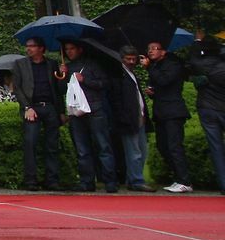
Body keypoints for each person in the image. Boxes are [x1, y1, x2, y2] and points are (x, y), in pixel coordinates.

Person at [58, 39, 118, 193]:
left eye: (72, 48)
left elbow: (104, 84)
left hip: (94, 108)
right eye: (67, 49)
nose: (69, 52)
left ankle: (110, 180)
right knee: (82, 148)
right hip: (76, 112)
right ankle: (87, 181)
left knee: (102, 145)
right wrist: (62, 75)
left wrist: (85, 80)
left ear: (79, 49)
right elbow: (61, 89)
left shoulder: (92, 65)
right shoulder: (68, 67)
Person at [11, 37, 66, 191]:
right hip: (31, 107)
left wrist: (63, 76)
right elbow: (17, 88)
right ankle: (30, 179)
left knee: (52, 145)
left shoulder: (52, 64)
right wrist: (27, 107)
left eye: (32, 46)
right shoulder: (20, 64)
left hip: (49, 107)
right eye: (27, 46)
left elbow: (59, 90)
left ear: (41, 48)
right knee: (30, 142)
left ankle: (52, 180)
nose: (28, 49)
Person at [143, 40, 193, 192]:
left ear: (163, 52)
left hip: (174, 111)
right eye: (149, 49)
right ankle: (178, 177)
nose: (150, 51)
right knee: (162, 146)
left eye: (154, 48)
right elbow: (159, 85)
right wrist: (152, 92)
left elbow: (165, 81)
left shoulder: (173, 64)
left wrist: (150, 67)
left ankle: (185, 180)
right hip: (161, 111)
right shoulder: (156, 67)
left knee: (174, 146)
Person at [113, 46, 154, 191]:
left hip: (139, 116)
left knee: (142, 150)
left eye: (133, 59)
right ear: (122, 59)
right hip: (129, 119)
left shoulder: (132, 74)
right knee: (134, 151)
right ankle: (136, 180)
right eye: (128, 59)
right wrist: (123, 117)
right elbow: (117, 100)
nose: (131, 61)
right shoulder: (119, 75)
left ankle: (133, 179)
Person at [188, 35, 225, 195]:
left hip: (207, 108)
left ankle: (224, 184)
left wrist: (197, 42)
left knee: (216, 147)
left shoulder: (199, 64)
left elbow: (192, 57)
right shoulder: (222, 65)